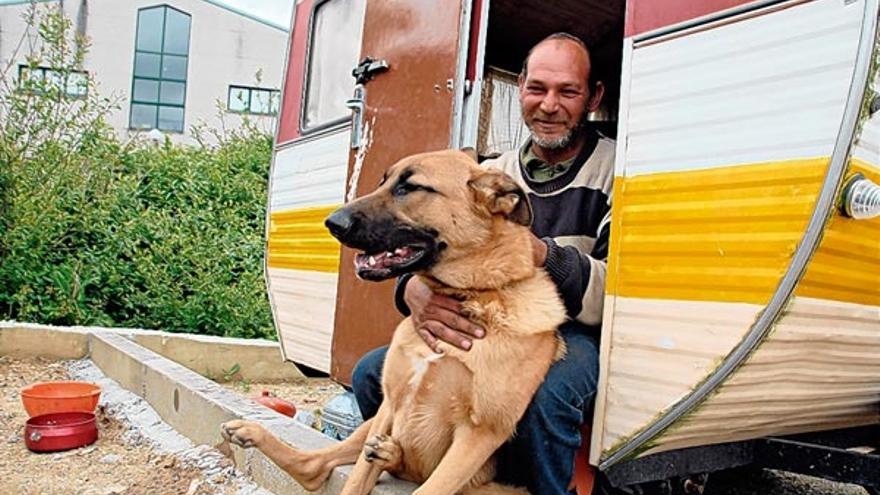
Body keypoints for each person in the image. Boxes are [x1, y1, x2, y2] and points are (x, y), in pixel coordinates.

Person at [351, 32, 615, 495]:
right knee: (372, 372)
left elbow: (620, 288)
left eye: (567, 91)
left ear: (593, 97)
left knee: (552, 395)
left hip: (577, 327)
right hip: (492, 319)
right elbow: (439, 248)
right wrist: (412, 289)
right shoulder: (490, 170)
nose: (549, 105)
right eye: (537, 89)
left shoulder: (619, 170)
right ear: (520, 89)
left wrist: (541, 254)